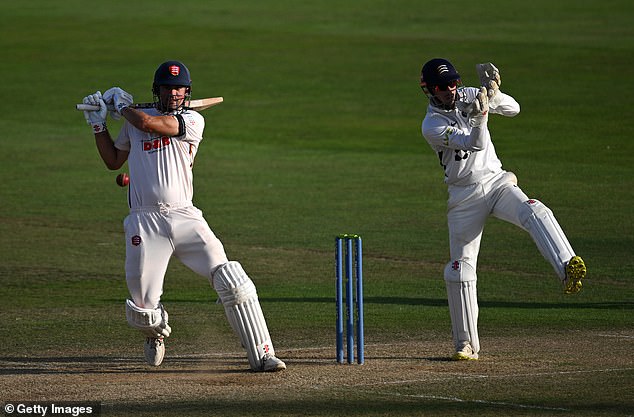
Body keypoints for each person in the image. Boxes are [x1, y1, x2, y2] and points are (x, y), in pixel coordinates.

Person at [81, 60, 286, 372]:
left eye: (180, 88)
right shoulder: (135, 123)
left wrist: (121, 105)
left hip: (186, 217)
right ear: (157, 91)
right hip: (144, 220)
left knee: (232, 280)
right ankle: (156, 334)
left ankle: (263, 353)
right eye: (168, 88)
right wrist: (99, 126)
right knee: (142, 306)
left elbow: (150, 126)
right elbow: (113, 160)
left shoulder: (191, 121)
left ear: (187, 93)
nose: (174, 93)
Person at [419, 58, 586, 361]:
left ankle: (567, 268)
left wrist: (492, 94)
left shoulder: (470, 94)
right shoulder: (432, 125)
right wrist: (481, 115)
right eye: (443, 86)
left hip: (496, 183)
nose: (451, 89)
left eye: (454, 82)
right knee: (459, 270)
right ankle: (466, 344)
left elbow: (514, 109)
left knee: (533, 209)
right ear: (428, 90)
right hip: (463, 198)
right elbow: (476, 142)